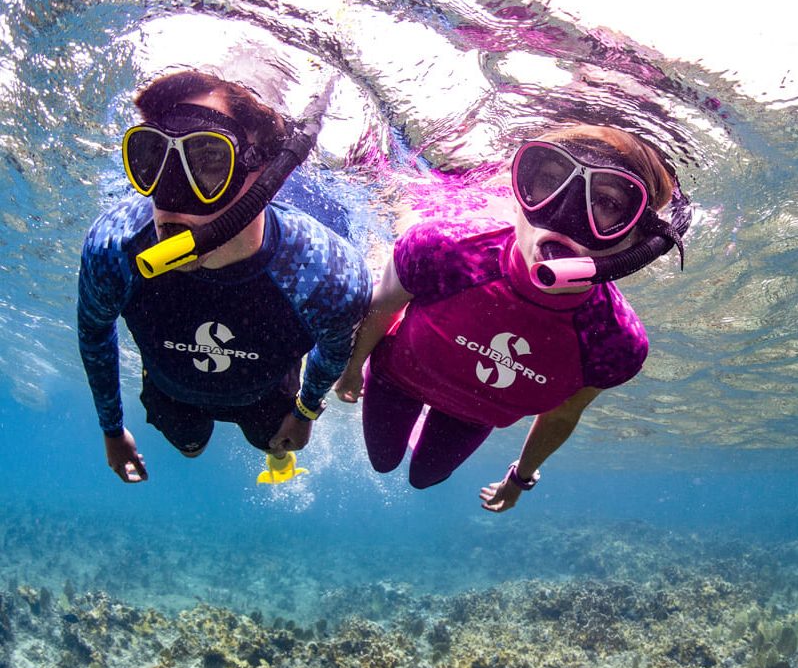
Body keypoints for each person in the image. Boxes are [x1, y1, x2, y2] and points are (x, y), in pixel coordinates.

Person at [334, 125, 690, 512]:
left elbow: (563, 414)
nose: (562, 215)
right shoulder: (441, 248)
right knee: (382, 462)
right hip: (395, 381)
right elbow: (384, 306)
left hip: (471, 418)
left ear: (641, 242)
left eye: (608, 203)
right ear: (519, 190)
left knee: (426, 478)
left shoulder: (614, 342)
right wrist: (352, 368)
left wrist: (521, 478)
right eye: (547, 181)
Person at [78, 70, 372, 483]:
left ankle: (278, 459)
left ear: (268, 174)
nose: (169, 199)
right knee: (189, 447)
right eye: (152, 156)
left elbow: (334, 350)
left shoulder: (325, 271)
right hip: (171, 393)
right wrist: (111, 430)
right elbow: (94, 333)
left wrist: (305, 412)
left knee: (271, 443)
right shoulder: (116, 247)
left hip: (268, 397)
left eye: (209, 161)